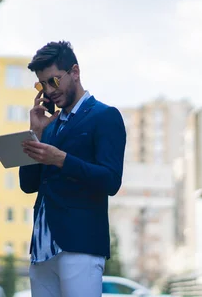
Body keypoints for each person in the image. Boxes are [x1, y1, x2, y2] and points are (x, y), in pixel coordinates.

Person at [20, 41, 127, 297]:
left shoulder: (105, 116)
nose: (49, 90)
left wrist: (62, 159)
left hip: (80, 246)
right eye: (42, 84)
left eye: (53, 81)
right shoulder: (49, 126)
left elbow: (111, 181)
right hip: (42, 249)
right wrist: (35, 132)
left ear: (75, 72)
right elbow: (28, 184)